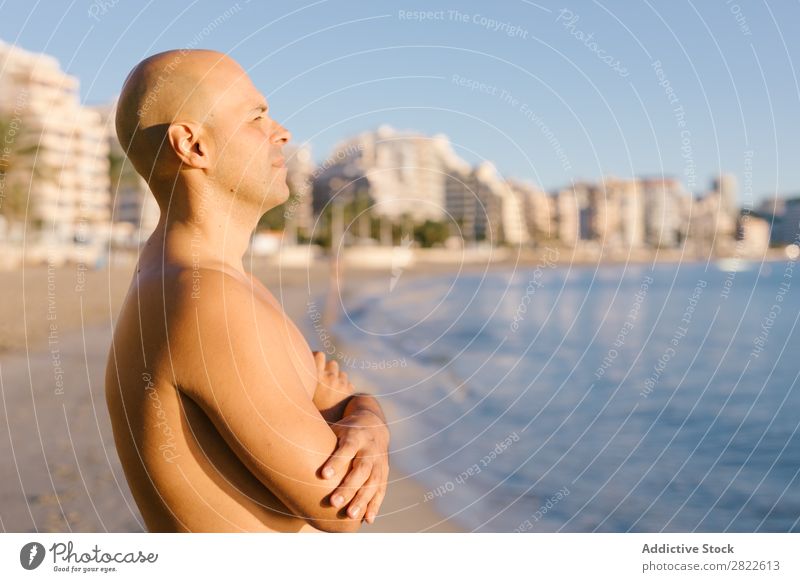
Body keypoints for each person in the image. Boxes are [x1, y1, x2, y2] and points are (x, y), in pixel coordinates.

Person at [104, 49, 389, 532]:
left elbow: (339, 401)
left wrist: (366, 417)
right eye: (256, 116)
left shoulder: (214, 280)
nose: (281, 132)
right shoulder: (207, 298)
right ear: (193, 146)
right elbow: (342, 505)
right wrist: (356, 415)